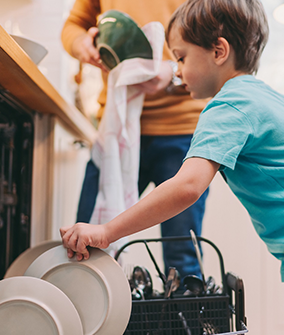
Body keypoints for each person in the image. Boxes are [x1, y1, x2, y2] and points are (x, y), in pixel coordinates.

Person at [61, 0, 284, 283]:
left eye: (180, 58)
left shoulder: (229, 107)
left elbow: (187, 187)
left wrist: (106, 232)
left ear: (218, 52)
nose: (176, 71)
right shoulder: (262, 96)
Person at [61, 0, 210, 282]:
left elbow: (217, 42)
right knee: (83, 245)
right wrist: (83, 45)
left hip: (182, 132)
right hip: (115, 133)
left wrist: (174, 73)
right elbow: (74, 25)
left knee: (181, 258)